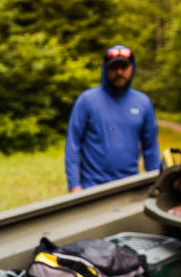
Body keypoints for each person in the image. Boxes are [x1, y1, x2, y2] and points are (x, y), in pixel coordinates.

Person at [64, 44, 160, 192]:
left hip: (130, 187)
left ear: (132, 68)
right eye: (114, 68)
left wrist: (155, 183)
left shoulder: (143, 103)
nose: (119, 72)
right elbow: (73, 145)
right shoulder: (87, 100)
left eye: (124, 67)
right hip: (92, 188)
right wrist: (74, 185)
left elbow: (151, 148)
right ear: (105, 69)